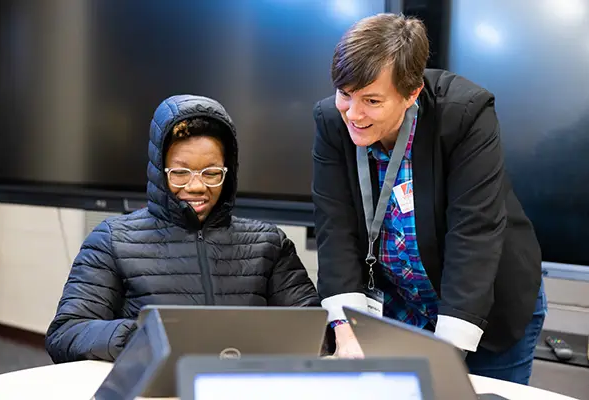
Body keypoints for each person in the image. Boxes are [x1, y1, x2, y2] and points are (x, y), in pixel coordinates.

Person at [312, 13, 545, 385]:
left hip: (484, 304)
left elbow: (474, 234)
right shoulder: (330, 120)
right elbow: (334, 228)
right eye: (345, 94)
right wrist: (346, 329)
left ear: (411, 93)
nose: (353, 114)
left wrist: (442, 362)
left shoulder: (464, 114)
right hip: (401, 306)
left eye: (371, 100)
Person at [45, 94, 320, 363]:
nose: (197, 186)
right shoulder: (112, 239)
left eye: (211, 173)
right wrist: (141, 339)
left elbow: (315, 332)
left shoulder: (268, 244)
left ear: (229, 172)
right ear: (159, 170)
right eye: (180, 173)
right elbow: (67, 333)